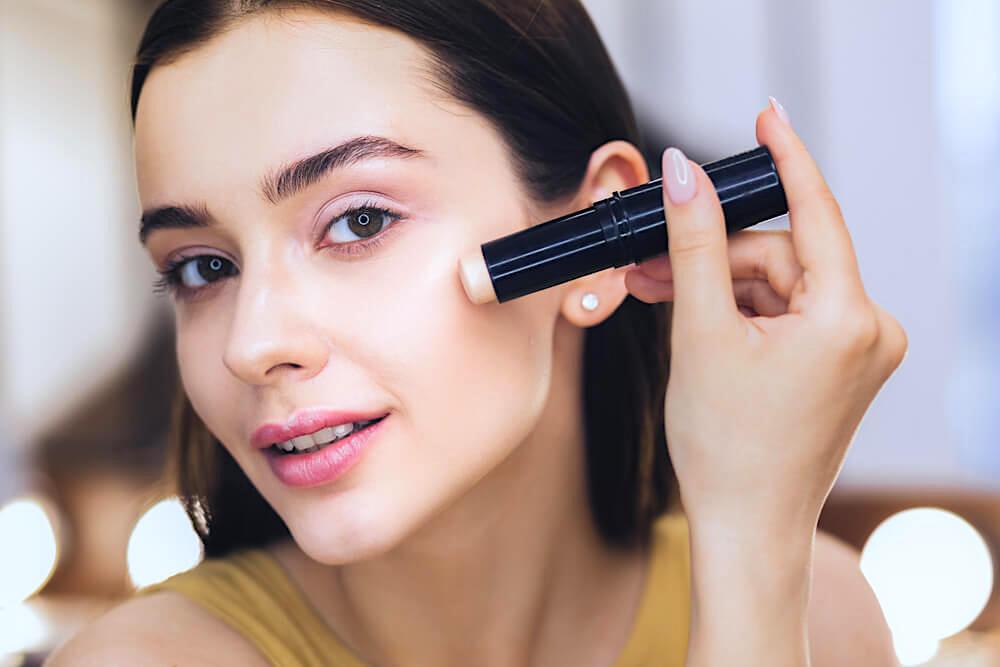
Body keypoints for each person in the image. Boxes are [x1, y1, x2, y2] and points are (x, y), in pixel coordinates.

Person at [48, 1, 907, 665]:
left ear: (596, 235)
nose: (251, 342)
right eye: (203, 267)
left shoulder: (820, 608)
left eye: (359, 221)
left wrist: (754, 542)